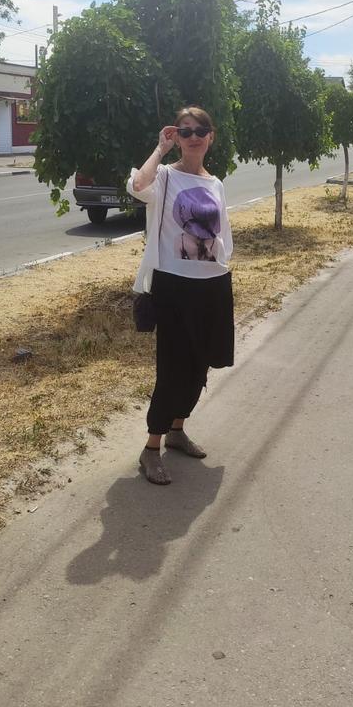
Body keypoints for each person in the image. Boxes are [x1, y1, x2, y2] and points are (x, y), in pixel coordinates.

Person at [126, 106, 234, 485]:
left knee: (199, 366)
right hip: (173, 285)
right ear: (178, 137)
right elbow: (136, 186)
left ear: (210, 136)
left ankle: (176, 430)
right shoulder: (165, 176)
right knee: (172, 369)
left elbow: (222, 235)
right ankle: (151, 449)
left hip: (211, 285)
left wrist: (223, 269)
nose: (192, 137)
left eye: (199, 130)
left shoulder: (215, 183)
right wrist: (160, 149)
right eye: (184, 131)